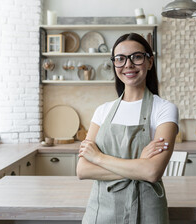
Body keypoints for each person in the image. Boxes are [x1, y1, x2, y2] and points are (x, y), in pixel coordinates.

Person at [77, 32, 179, 224]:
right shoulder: (102, 111)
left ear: (149, 62)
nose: (128, 65)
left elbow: (152, 172)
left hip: (147, 212)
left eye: (137, 57)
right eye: (120, 59)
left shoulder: (164, 109)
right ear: (114, 64)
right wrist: (139, 164)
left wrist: (99, 158)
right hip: (101, 212)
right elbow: (83, 170)